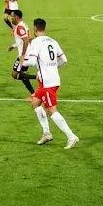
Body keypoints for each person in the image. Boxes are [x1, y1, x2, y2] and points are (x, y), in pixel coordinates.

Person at [23, 18, 79, 149]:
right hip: (49, 80)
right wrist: (53, 67)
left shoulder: (36, 42)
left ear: (35, 29)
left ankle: (71, 136)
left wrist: (22, 62)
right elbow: (64, 60)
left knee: (51, 110)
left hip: (48, 82)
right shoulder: (53, 41)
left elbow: (30, 62)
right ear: (44, 28)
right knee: (35, 102)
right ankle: (47, 133)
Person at [7, 10, 37, 93]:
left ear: (16, 17)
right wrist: (13, 46)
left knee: (15, 74)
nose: (11, 18)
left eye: (12, 16)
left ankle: (38, 77)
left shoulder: (19, 27)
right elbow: (28, 38)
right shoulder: (23, 25)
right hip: (27, 53)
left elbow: (26, 41)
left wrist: (23, 55)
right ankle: (33, 94)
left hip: (25, 55)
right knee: (20, 74)